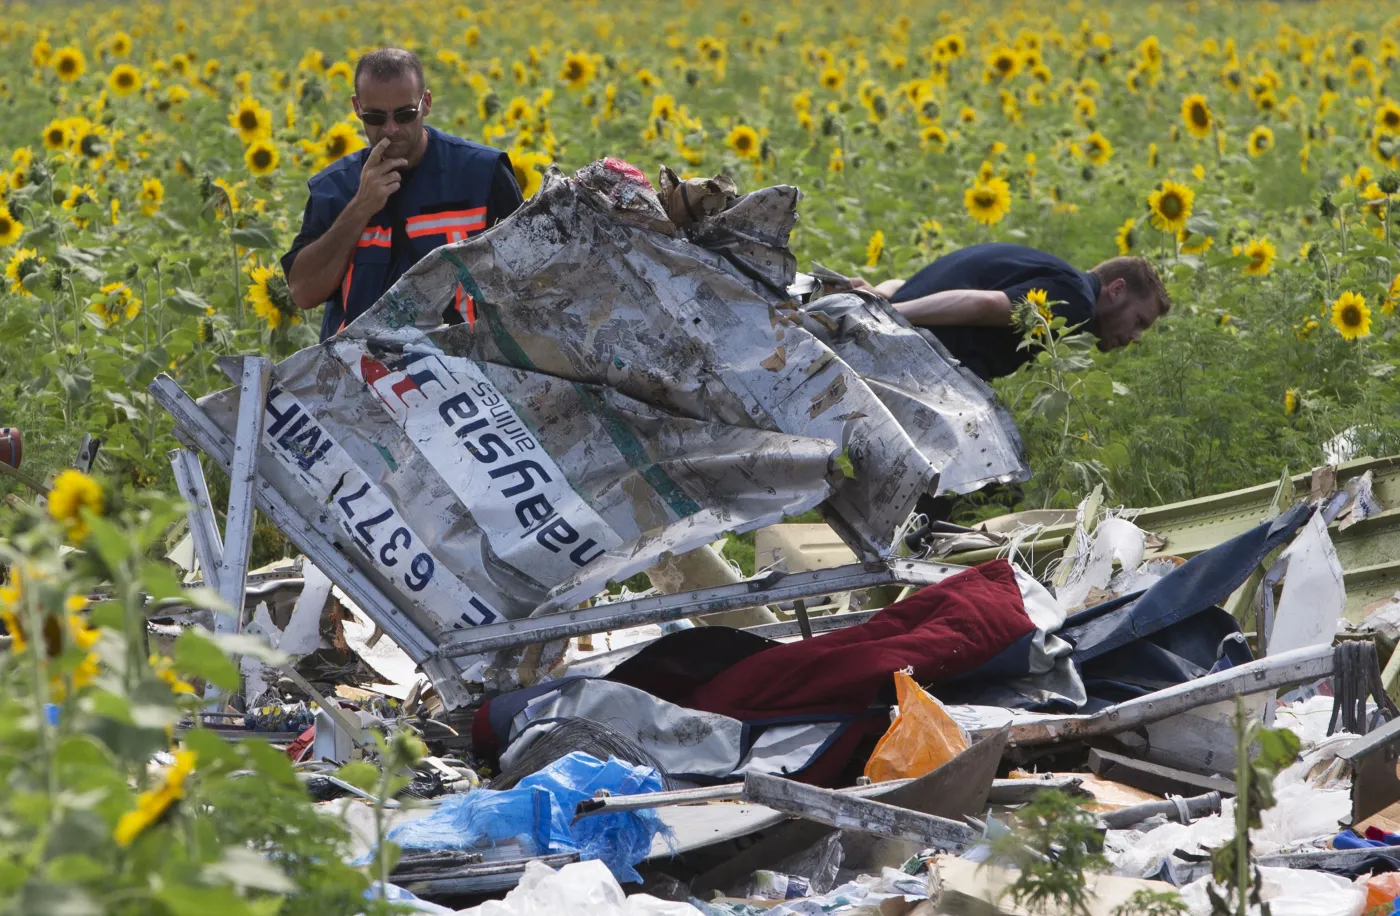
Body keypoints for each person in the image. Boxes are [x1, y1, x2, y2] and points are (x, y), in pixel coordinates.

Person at [282, 49, 524, 342]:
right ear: (357, 108)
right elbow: (303, 293)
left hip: (466, 366)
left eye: (405, 114)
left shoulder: (482, 174)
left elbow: (528, 280)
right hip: (358, 372)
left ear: (427, 103)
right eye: (375, 117)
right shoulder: (334, 189)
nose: (391, 128)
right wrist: (360, 207)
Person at [841, 243, 1170, 382]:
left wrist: (881, 292)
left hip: (903, 352)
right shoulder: (1076, 300)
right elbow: (984, 304)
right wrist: (886, 313)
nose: (1134, 337)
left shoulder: (1053, 272)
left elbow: (932, 284)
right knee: (989, 489)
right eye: (1139, 321)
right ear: (1116, 290)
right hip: (913, 363)